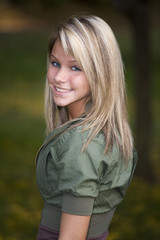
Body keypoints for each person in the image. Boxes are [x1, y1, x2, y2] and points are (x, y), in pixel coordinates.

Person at [36, 15, 137, 240]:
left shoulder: (81, 145)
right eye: (55, 63)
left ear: (101, 72)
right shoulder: (103, 131)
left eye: (75, 68)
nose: (59, 77)